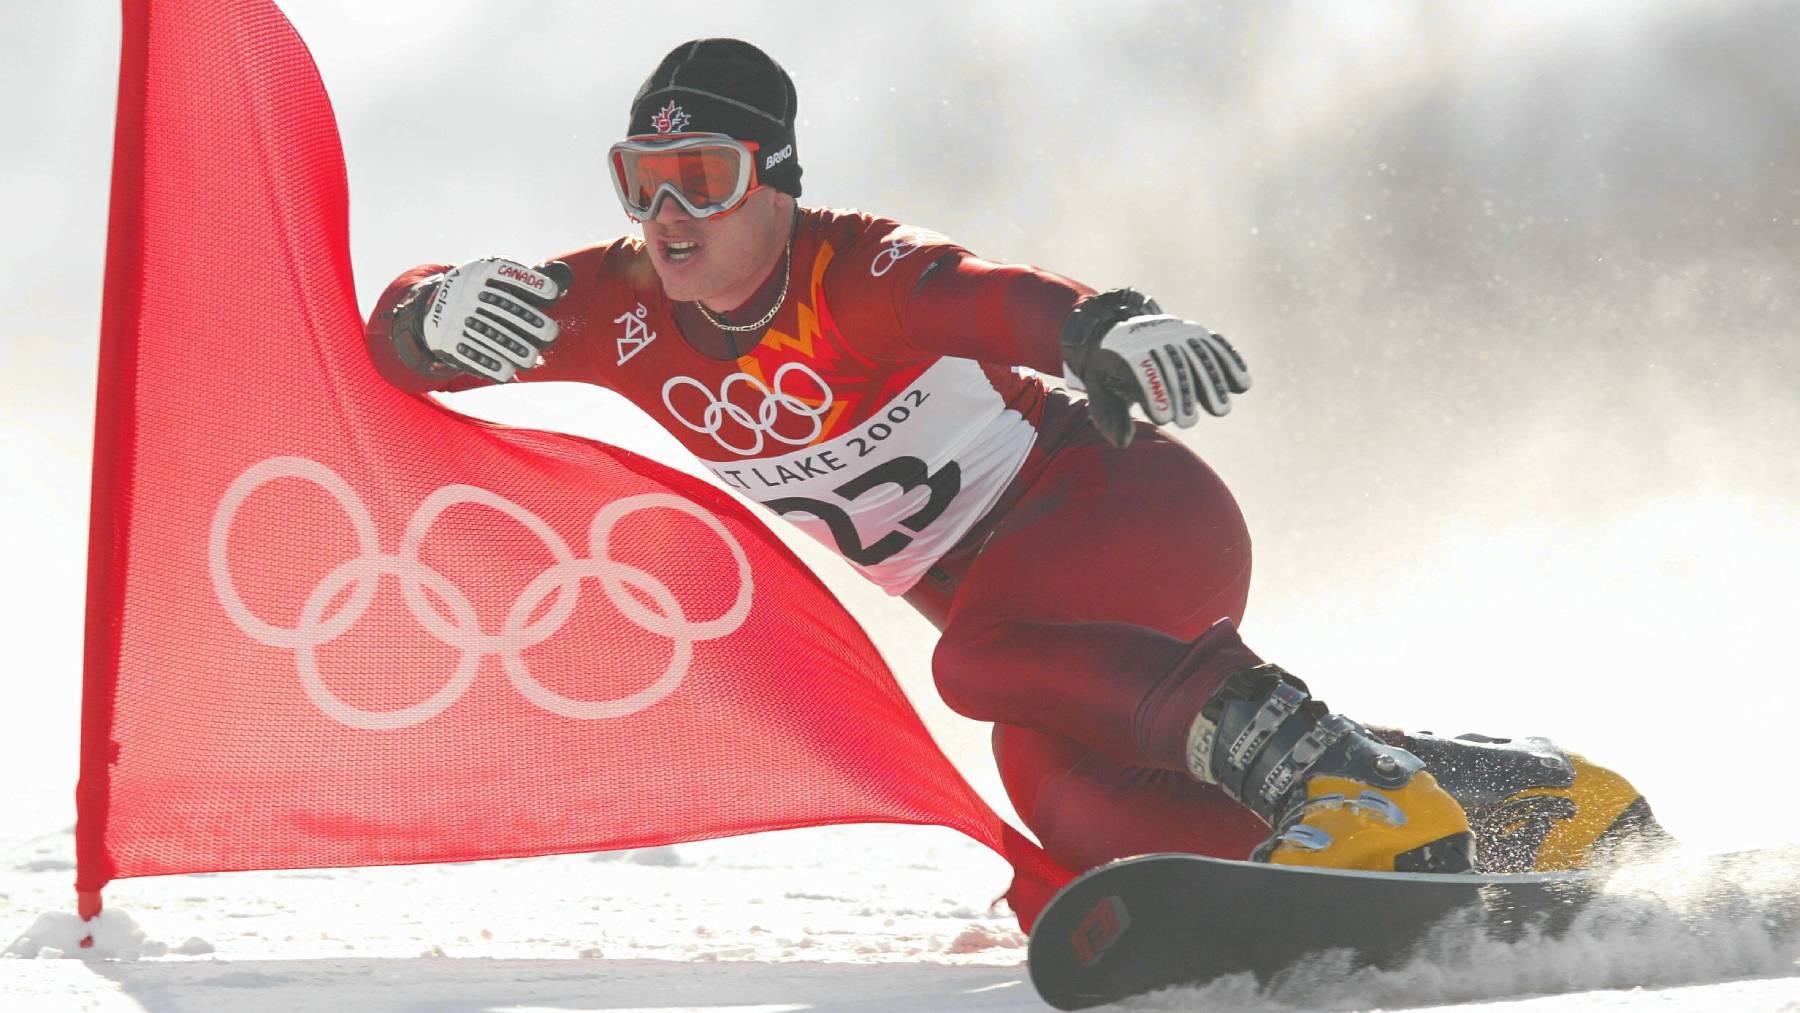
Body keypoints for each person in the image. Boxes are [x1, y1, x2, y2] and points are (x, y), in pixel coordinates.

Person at [365, 38, 1670, 879]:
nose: (664, 215)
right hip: (1047, 618)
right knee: (1083, 818)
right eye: (637, 179)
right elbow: (394, 341)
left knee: (975, 660)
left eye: (698, 175)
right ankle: (1513, 806)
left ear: (775, 179)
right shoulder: (620, 304)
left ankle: (1357, 788)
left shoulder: (850, 267)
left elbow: (988, 294)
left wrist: (1105, 323)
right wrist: (432, 311)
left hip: (1122, 517)